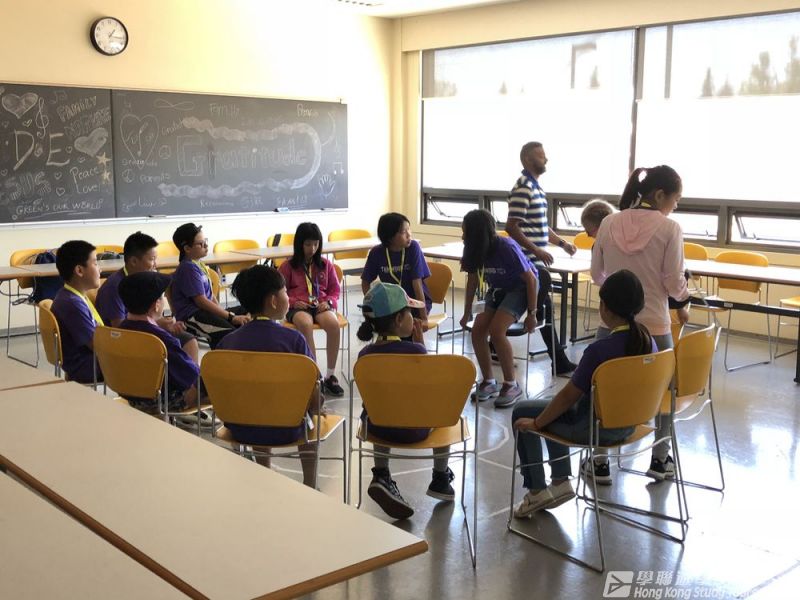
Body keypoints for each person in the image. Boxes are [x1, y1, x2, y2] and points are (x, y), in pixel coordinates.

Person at [510, 270, 658, 518]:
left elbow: (568, 397)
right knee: (549, 406)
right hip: (629, 425)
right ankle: (559, 481)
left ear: (605, 308)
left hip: (593, 428)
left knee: (522, 411)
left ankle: (538, 490)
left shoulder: (599, 350)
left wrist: (536, 424)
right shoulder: (648, 342)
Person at [590, 165, 690, 481]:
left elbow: (596, 274)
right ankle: (660, 460)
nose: (675, 206)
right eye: (675, 199)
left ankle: (600, 461)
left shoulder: (608, 222)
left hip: (611, 327)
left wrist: (619, 290)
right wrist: (685, 295)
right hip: (655, 328)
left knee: (602, 389)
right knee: (665, 392)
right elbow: (673, 282)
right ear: (660, 195)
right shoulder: (670, 228)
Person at [357, 282, 455, 520]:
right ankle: (440, 477)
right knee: (445, 409)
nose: (415, 318)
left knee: (380, 406)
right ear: (400, 319)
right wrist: (420, 347)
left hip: (376, 429)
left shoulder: (364, 356)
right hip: (413, 431)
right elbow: (428, 390)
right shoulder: (417, 353)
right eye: (411, 313)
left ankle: (381, 473)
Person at [218, 265, 320, 488]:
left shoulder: (228, 342)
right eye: (285, 292)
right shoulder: (294, 340)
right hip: (287, 428)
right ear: (273, 301)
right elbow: (315, 386)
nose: (288, 297)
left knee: (256, 401)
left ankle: (263, 472)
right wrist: (316, 405)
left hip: (241, 427)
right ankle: (310, 483)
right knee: (309, 417)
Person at [506, 141, 577, 376]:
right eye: (540, 156)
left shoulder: (536, 188)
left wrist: (562, 243)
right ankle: (559, 361)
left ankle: (559, 361)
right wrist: (536, 251)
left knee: (543, 310)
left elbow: (541, 227)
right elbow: (512, 227)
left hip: (535, 262)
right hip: (526, 263)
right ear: (528, 159)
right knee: (538, 309)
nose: (546, 160)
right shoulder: (523, 187)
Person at [459, 209, 539, 408]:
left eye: (465, 232)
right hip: (497, 289)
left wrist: (532, 313)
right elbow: (472, 281)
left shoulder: (506, 246)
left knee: (496, 331)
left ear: (477, 233)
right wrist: (467, 312)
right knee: (477, 331)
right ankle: (489, 381)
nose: (462, 236)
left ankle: (511, 384)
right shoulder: (474, 248)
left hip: (520, 289)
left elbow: (531, 280)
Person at [95, 231, 198, 363]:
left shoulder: (142, 281)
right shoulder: (114, 287)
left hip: (143, 330)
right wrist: (159, 324)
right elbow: (120, 328)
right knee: (185, 344)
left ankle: (181, 374)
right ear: (133, 261)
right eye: (152, 259)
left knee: (189, 340)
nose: (155, 265)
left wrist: (164, 323)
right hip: (126, 342)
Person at [117, 271, 203, 415]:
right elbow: (191, 375)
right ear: (156, 305)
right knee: (210, 377)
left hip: (133, 397)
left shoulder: (121, 330)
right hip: (165, 401)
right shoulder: (161, 341)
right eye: (162, 297)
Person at [279, 222, 344, 397]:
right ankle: (315, 375)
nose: (312, 249)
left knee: (333, 325)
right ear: (299, 244)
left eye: (316, 244)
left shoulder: (325, 264)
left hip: (321, 304)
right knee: (305, 324)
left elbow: (335, 291)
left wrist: (329, 302)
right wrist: (293, 302)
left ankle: (330, 375)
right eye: (308, 244)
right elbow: (280, 292)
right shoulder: (287, 266)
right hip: (298, 306)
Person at [170, 223, 250, 349]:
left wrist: (223, 314)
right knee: (229, 334)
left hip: (205, 312)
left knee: (249, 309)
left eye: (205, 241)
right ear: (187, 248)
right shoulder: (187, 268)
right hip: (192, 317)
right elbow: (201, 301)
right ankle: (220, 358)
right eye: (201, 244)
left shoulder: (199, 264)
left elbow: (210, 295)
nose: (206, 246)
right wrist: (230, 317)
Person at [361, 212, 431, 341]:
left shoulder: (413, 248)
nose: (409, 234)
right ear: (390, 237)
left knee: (408, 336)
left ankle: (414, 350)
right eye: (404, 232)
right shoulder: (377, 252)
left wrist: (424, 318)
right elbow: (365, 282)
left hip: (414, 303)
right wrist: (374, 304)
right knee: (387, 334)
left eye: (409, 229)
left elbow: (417, 284)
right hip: (391, 305)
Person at [51, 240, 103, 384]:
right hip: (85, 365)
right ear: (79, 270)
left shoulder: (71, 295)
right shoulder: (72, 303)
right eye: (95, 263)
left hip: (86, 361)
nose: (100, 269)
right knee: (145, 361)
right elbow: (97, 345)